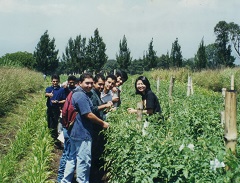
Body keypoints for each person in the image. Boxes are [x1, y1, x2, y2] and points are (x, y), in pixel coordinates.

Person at [61, 73, 109, 183]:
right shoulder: (81, 95)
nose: (89, 85)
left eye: (91, 83)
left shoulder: (78, 93)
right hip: (82, 133)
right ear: (80, 83)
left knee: (72, 159)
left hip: (74, 132)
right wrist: (103, 123)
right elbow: (88, 114)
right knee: (84, 161)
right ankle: (82, 181)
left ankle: (65, 181)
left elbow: (91, 108)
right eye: (87, 83)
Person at [89, 74, 113, 183]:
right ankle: (92, 177)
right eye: (99, 84)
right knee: (93, 153)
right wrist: (105, 106)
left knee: (96, 152)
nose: (101, 87)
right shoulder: (93, 94)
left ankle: (94, 175)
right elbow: (92, 110)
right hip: (94, 128)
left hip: (97, 128)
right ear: (94, 83)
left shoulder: (97, 93)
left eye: (103, 85)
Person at [57, 75, 77, 183]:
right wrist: (67, 125)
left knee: (68, 153)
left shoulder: (73, 93)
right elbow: (65, 112)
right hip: (68, 126)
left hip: (67, 125)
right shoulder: (71, 93)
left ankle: (62, 178)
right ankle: (61, 178)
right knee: (67, 153)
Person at [45, 74, 66, 142]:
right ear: (51, 81)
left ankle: (55, 139)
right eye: (53, 81)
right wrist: (49, 94)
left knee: (55, 124)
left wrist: (58, 102)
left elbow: (64, 100)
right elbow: (45, 94)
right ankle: (51, 137)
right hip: (50, 109)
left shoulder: (61, 90)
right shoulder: (49, 88)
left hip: (56, 109)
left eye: (56, 81)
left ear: (59, 81)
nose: (55, 83)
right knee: (49, 124)